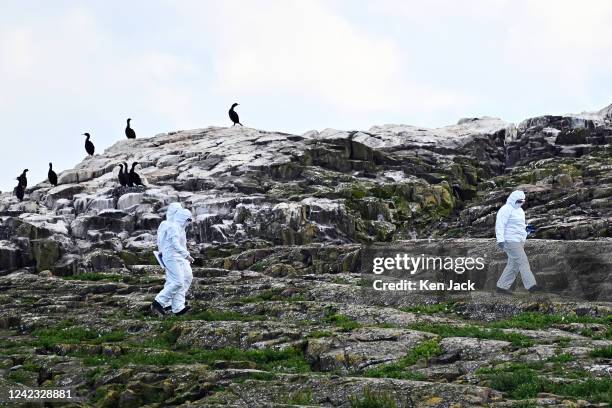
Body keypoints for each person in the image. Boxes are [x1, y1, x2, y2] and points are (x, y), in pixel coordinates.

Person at [495, 190, 542, 294]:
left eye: (523, 201)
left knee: (513, 265)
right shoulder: (506, 209)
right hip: (510, 240)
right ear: (513, 199)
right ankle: (531, 286)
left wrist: (527, 229)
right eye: (519, 201)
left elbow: (518, 226)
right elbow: (500, 225)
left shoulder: (520, 211)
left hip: (519, 240)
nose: (521, 203)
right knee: (523, 260)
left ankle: (501, 287)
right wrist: (500, 240)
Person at [152, 205, 194, 315]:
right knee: (177, 281)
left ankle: (178, 306)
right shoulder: (168, 225)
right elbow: (165, 242)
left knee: (185, 278)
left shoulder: (180, 228)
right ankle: (163, 302)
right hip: (172, 256)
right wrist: (186, 255)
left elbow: (181, 243)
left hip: (179, 256)